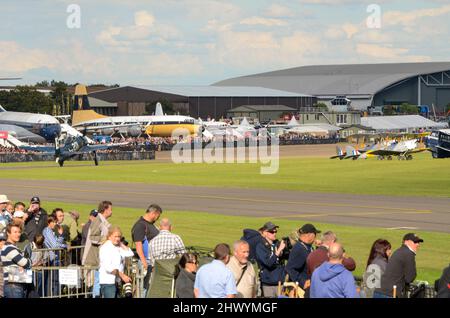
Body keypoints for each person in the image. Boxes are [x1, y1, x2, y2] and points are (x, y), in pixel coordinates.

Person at [374, 233, 423, 298]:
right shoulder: (409, 253)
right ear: (406, 242)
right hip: (389, 293)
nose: (417, 244)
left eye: (418, 242)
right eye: (415, 242)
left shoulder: (399, 251)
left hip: (379, 291)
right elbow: (410, 278)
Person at [82, 201, 113, 298]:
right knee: (97, 282)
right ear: (105, 210)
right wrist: (107, 239)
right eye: (110, 209)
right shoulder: (97, 220)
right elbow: (92, 237)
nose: (112, 212)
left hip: (100, 257)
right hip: (94, 258)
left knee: (99, 281)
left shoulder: (102, 221)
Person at [131, 204, 162, 296]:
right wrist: (144, 262)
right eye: (158, 216)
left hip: (151, 261)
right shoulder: (140, 226)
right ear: (153, 213)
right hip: (146, 261)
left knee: (148, 287)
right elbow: (138, 244)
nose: (157, 218)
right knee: (143, 288)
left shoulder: (150, 225)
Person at [286, 224, 321, 295]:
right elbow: (290, 268)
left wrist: (318, 248)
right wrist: (302, 282)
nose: (316, 237)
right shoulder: (299, 249)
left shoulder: (308, 247)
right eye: (315, 234)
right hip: (301, 290)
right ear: (309, 235)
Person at [99, 226, 133, 298]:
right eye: (115, 236)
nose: (117, 239)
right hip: (108, 282)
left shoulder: (118, 246)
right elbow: (108, 267)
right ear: (109, 236)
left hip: (117, 281)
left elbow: (130, 254)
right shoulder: (105, 248)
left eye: (119, 237)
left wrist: (121, 244)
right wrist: (123, 276)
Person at [255, 222, 286, 298]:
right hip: (268, 284)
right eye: (272, 232)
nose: (274, 233)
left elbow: (287, 257)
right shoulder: (260, 247)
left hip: (280, 282)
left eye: (275, 231)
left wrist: (285, 250)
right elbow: (268, 263)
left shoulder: (277, 243)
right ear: (265, 233)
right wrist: (278, 252)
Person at [0, 223, 32, 298]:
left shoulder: (13, 248)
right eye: (15, 232)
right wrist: (28, 262)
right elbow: (27, 263)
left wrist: (25, 263)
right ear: (8, 233)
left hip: (18, 284)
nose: (18, 234)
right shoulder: (9, 248)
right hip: (13, 286)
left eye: (19, 232)